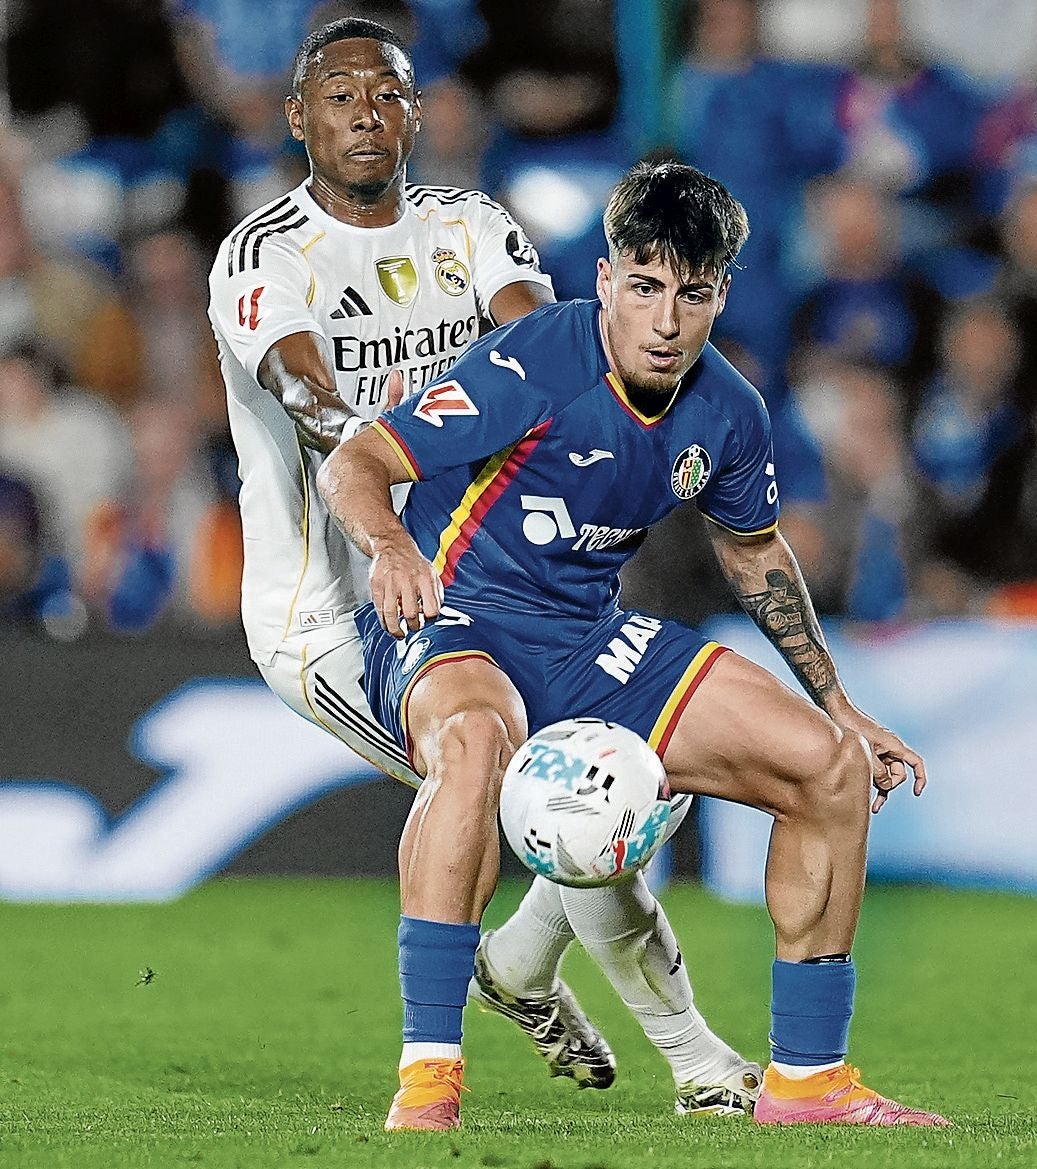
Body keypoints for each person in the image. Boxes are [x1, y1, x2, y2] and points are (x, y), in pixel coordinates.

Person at [318, 159, 949, 1130]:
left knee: (827, 771)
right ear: (607, 279)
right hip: (459, 616)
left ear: (719, 294)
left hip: (589, 635)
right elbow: (359, 462)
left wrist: (840, 705)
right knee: (477, 744)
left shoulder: (729, 411)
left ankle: (808, 1080)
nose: (665, 320)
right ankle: (429, 1080)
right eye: (645, 287)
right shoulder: (534, 364)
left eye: (691, 295)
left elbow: (754, 552)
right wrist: (392, 544)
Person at [206, 16, 760, 1122]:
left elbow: (547, 350)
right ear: (297, 116)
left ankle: (516, 965)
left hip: (485, 584)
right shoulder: (264, 253)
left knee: (608, 783)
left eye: (387, 93)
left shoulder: (470, 226)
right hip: (332, 605)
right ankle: (673, 1052)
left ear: (418, 114)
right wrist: (397, 460)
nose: (365, 111)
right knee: (547, 781)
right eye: (340, 94)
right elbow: (311, 396)